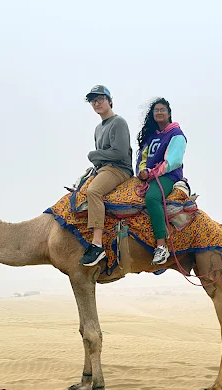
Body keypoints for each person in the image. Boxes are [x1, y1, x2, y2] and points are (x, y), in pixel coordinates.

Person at [79, 85, 134, 267]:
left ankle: (97, 244)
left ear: (110, 101)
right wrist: (97, 159)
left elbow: (119, 153)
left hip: (119, 169)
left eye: (100, 99)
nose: (97, 103)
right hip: (103, 169)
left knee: (93, 191)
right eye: (93, 101)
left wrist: (94, 155)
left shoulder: (118, 122)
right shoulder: (98, 128)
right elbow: (102, 156)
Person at [135, 98, 187, 265]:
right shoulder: (151, 137)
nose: (159, 113)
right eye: (156, 110)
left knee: (152, 198)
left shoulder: (176, 135)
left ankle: (161, 246)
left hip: (168, 177)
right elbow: (142, 157)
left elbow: (173, 161)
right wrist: (141, 171)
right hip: (148, 177)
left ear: (169, 113)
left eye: (162, 110)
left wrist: (151, 173)